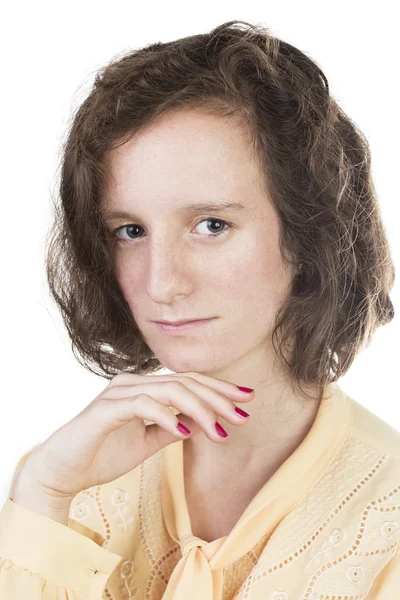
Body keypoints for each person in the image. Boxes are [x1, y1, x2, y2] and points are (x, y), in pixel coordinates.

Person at [0, 19, 398, 600]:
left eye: (212, 225)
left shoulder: (385, 519)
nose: (162, 283)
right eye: (130, 230)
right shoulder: (70, 478)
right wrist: (43, 493)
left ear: (308, 233)